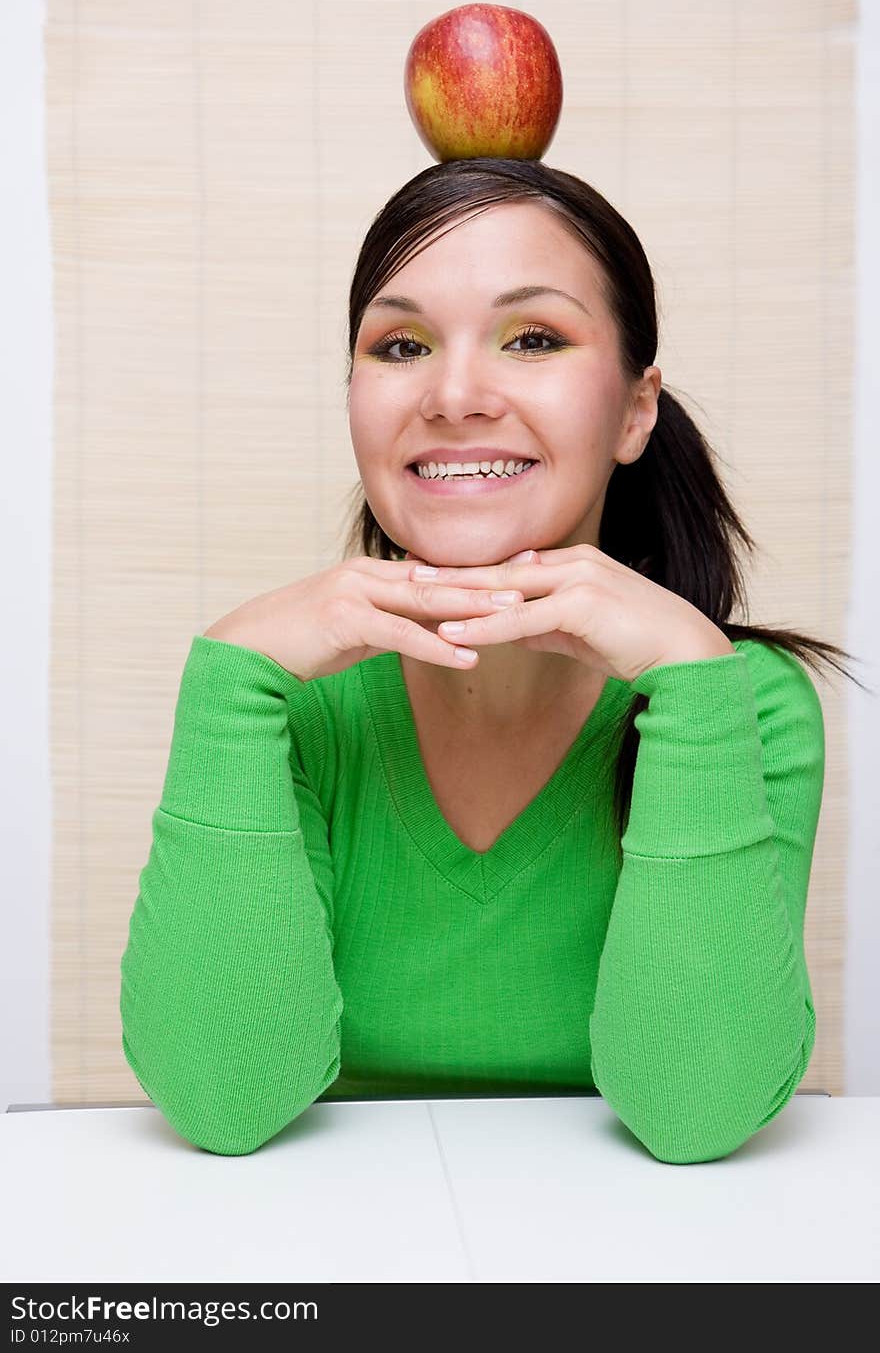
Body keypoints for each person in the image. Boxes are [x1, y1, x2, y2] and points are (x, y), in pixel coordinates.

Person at [119, 159, 866, 1161]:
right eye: (400, 345)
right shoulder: (293, 703)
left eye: (532, 338)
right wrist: (230, 680)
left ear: (637, 409)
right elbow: (222, 1100)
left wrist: (691, 673)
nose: (454, 392)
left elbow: (696, 1116)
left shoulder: (741, 701)